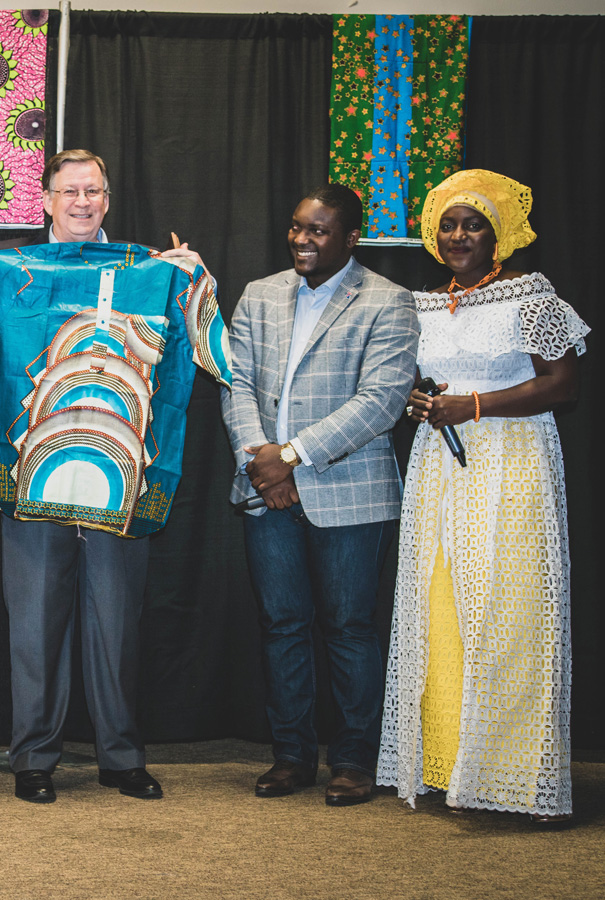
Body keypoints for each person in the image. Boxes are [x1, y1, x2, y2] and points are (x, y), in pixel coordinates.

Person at [0, 149, 210, 804]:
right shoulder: (9, 268)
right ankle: (32, 758)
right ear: (46, 200)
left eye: (93, 190)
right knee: (33, 620)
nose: (82, 201)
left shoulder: (151, 273)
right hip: (34, 472)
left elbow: (206, 344)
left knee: (117, 622)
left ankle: (120, 755)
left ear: (106, 200)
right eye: (70, 190)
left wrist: (194, 282)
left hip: (123, 471)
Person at [376, 170, 587, 823]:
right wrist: (424, 401)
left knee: (509, 609)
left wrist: (470, 404)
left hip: (512, 463)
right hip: (439, 469)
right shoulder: (422, 304)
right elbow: (420, 381)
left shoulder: (530, 296)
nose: (458, 234)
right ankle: (444, 763)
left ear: (498, 233)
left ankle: (510, 772)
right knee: (438, 609)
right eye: (448, 223)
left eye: (473, 223)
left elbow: (562, 384)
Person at [220, 184, 419, 806]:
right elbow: (236, 382)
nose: (303, 240)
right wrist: (261, 460)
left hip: (349, 490)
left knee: (351, 627)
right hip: (265, 486)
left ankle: (355, 760)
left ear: (350, 236)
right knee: (281, 624)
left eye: (320, 230)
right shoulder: (259, 294)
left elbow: (382, 401)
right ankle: (292, 757)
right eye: (298, 227)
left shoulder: (389, 301)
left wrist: (293, 458)